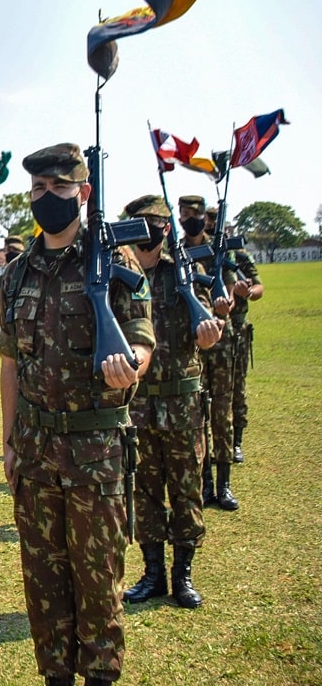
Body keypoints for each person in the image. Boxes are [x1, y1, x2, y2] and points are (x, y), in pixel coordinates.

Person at [0, 143, 155, 686]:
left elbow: (142, 341)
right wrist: (9, 442)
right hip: (37, 452)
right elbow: (11, 366)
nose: (47, 199)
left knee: (98, 580)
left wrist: (130, 365)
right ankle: (56, 677)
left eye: (59, 189)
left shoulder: (115, 264)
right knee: (43, 583)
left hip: (97, 453)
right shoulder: (14, 276)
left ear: (83, 193)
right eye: (38, 190)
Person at [120, 194, 223, 610]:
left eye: (155, 226)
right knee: (144, 492)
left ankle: (183, 575)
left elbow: (211, 326)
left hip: (182, 407)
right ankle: (152, 573)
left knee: (186, 491)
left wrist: (210, 332)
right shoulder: (118, 276)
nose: (148, 236)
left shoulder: (186, 273)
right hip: (138, 405)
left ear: (166, 230)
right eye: (139, 226)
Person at [177, 195, 239, 510]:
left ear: (203, 216)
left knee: (221, 413)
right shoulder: (174, 253)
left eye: (194, 213)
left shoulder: (219, 252)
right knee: (197, 416)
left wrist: (226, 307)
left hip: (221, 343)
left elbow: (233, 290)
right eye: (183, 213)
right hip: (190, 345)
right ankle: (205, 482)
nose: (189, 218)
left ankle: (224, 485)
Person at [206, 205, 262, 464]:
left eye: (213, 222)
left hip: (236, 327)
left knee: (236, 387)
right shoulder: (199, 251)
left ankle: (236, 441)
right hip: (207, 327)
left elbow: (258, 286)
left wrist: (247, 292)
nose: (209, 226)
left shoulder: (237, 254)